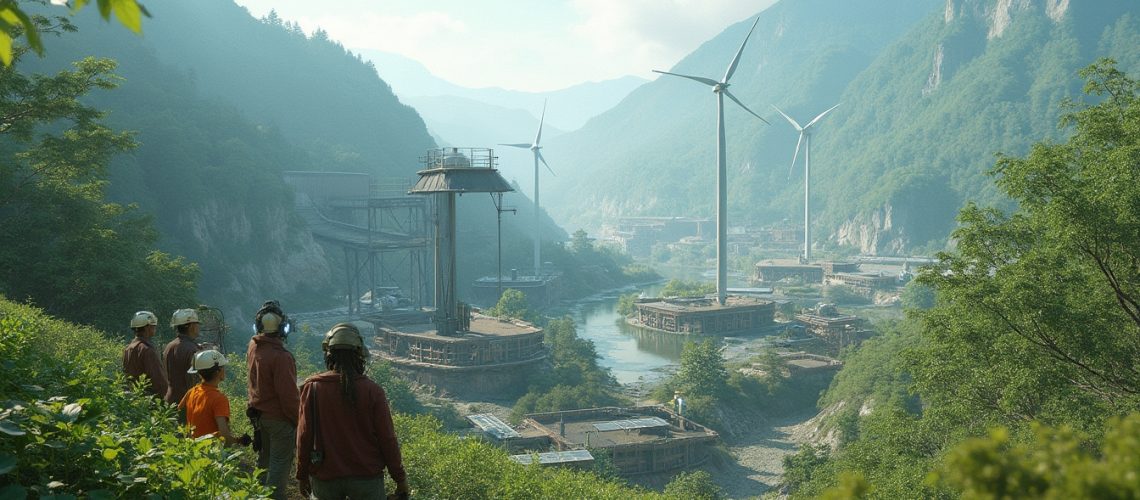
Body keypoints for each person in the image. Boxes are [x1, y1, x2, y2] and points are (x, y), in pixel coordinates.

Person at [296, 323, 409, 500]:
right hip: (367, 479)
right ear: (360, 354)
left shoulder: (313, 388)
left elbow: (304, 436)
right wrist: (399, 479)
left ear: (328, 354)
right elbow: (387, 438)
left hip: (325, 478)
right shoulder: (372, 391)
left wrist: (302, 475)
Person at [246, 300, 299, 500]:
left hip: (259, 417)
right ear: (283, 327)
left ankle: (256, 496)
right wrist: (298, 421)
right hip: (279, 420)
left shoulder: (253, 346)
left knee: (264, 463)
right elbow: (288, 397)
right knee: (278, 466)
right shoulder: (282, 357)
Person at [178, 349, 251, 446]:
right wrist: (237, 442)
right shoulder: (219, 399)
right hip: (211, 452)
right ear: (218, 371)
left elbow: (179, 414)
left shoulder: (191, 392)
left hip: (193, 449)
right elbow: (225, 436)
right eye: (223, 367)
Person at [122, 310, 169, 399]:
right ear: (147, 327)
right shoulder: (147, 350)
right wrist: (166, 398)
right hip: (149, 400)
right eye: (153, 326)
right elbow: (158, 379)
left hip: (133, 398)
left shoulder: (127, 349)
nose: (155, 328)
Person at [164, 308, 201, 405]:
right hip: (187, 403)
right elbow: (196, 380)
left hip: (170, 400)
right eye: (197, 323)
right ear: (191, 326)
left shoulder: (169, 346)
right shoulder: (192, 349)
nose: (198, 326)